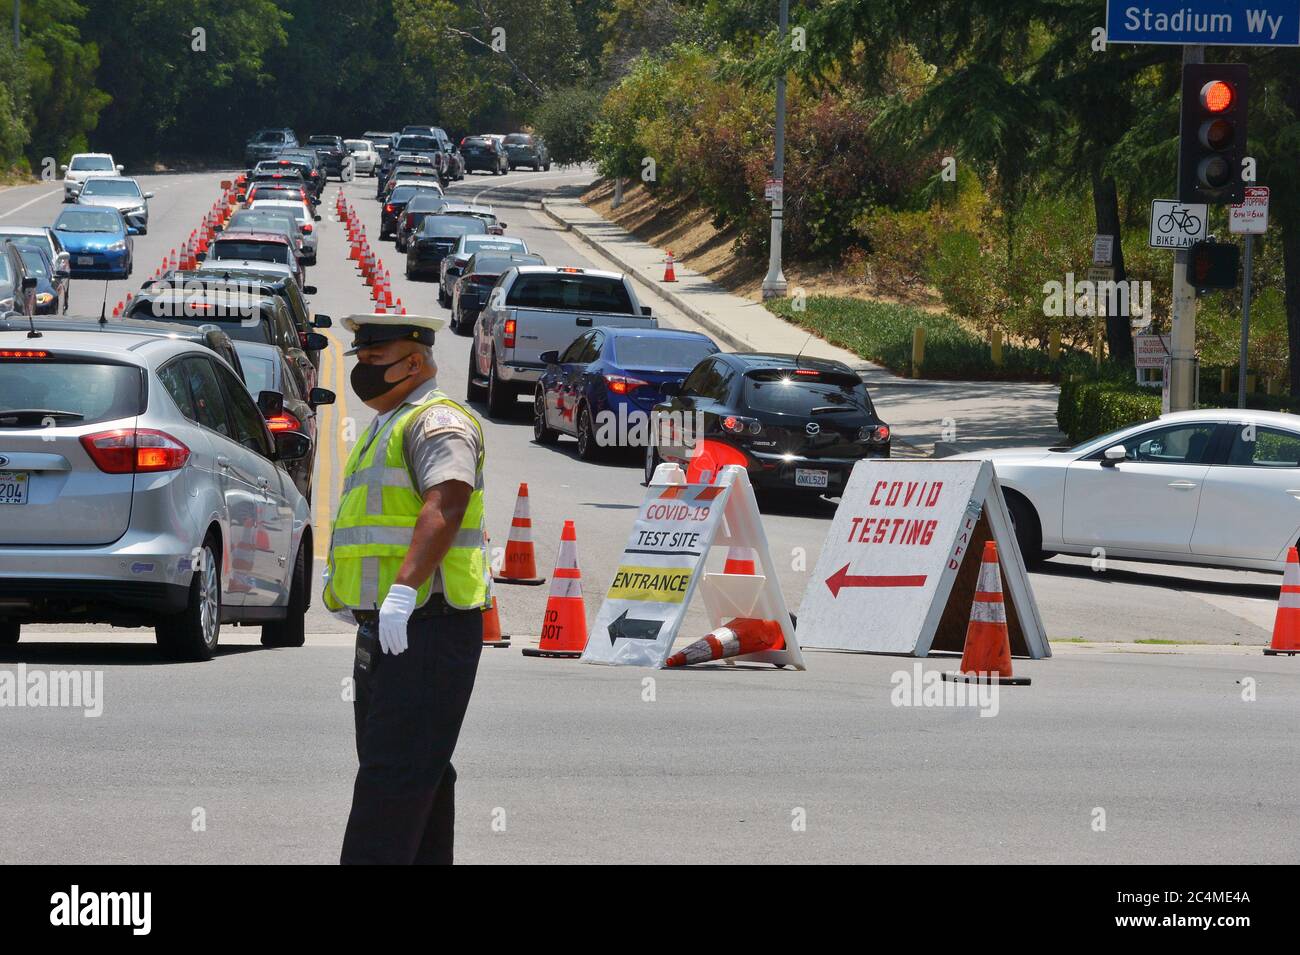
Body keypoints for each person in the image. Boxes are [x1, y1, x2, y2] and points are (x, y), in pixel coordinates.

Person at [323, 312, 492, 865]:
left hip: (428, 623)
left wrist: (401, 593)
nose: (362, 372)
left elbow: (446, 502)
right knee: (418, 771)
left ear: (415, 362)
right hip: (392, 627)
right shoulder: (390, 421)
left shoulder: (437, 421)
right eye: (361, 360)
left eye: (375, 360)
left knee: (392, 777)